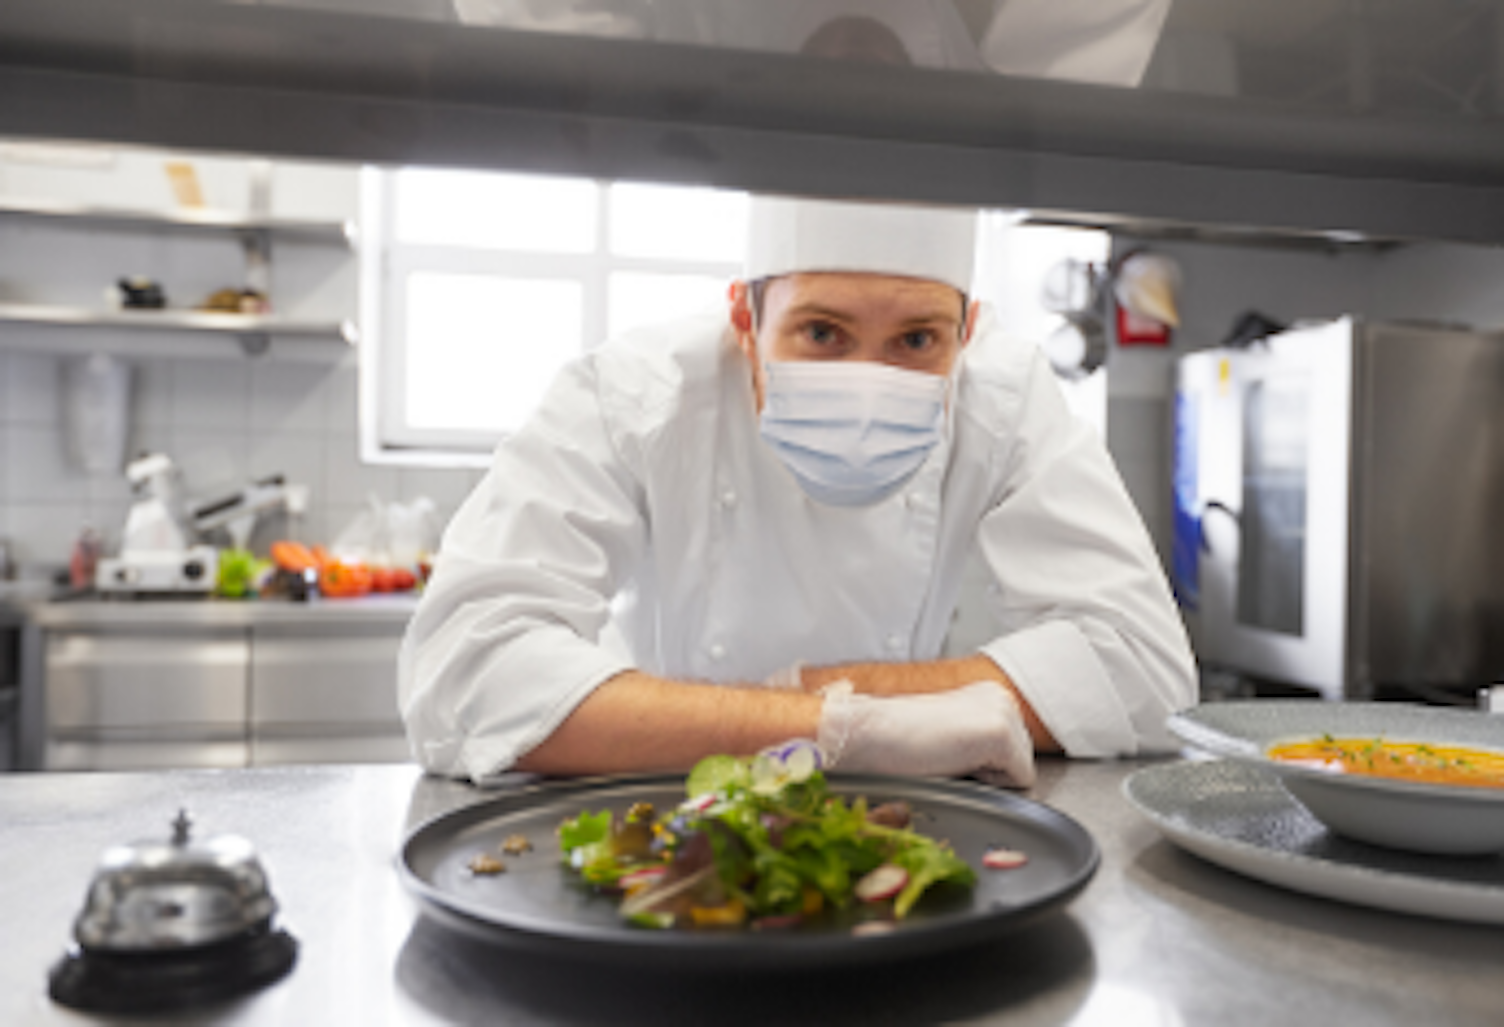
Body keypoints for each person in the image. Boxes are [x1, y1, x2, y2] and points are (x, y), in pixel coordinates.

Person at [398, 195, 1197, 787]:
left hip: (899, 814)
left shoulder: (1004, 394)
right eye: (822, 332)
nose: (869, 383)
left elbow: (1144, 670)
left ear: (968, 330)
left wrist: (822, 717)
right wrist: (842, 725)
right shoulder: (634, 393)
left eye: (917, 339)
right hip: (666, 809)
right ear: (745, 320)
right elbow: (463, 668)